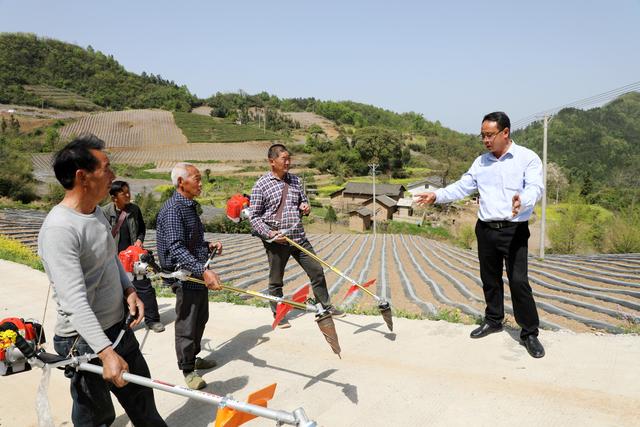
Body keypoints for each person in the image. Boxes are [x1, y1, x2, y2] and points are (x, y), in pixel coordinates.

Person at [38, 134, 166, 426]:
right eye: (106, 168)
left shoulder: (94, 213)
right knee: (97, 418)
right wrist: (105, 352)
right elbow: (74, 302)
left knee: (144, 405)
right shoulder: (60, 229)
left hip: (118, 330)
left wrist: (129, 288)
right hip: (83, 343)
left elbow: (110, 257)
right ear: (83, 177)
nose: (113, 175)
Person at [416, 112, 545, 358]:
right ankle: (494, 319)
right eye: (482, 136)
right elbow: (463, 185)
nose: (485, 140)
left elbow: (535, 188)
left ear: (505, 133)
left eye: (489, 135)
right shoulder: (481, 162)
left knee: (519, 282)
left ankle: (529, 333)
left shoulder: (527, 158)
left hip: (514, 230)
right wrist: (437, 195)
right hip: (486, 229)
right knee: (490, 278)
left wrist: (523, 200)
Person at [249, 144, 345, 329]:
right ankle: (278, 313)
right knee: (276, 279)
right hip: (277, 241)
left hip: (298, 236)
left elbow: (303, 200)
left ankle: (325, 306)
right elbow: (254, 217)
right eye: (284, 159)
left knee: (316, 270)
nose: (288, 162)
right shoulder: (261, 185)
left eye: (289, 158)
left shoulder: (295, 180)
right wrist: (270, 234)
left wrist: (305, 206)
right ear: (272, 162)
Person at [155, 162, 223, 390]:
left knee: (200, 318)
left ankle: (193, 359)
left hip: (195, 270)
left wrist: (207, 244)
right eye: (196, 179)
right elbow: (176, 247)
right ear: (181, 182)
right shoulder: (174, 209)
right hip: (184, 275)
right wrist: (203, 270)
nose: (200, 183)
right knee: (187, 322)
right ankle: (187, 369)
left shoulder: (189, 206)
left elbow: (189, 241)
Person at [104, 180, 165, 333]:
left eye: (128, 191)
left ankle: (152, 320)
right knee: (118, 291)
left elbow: (142, 228)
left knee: (145, 288)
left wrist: (139, 240)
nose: (127, 194)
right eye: (123, 192)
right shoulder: (104, 212)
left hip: (134, 258)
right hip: (116, 259)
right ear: (113, 197)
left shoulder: (134, 210)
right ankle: (126, 321)